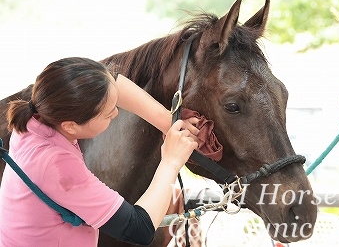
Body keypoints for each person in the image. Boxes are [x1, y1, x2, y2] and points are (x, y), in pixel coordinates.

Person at [0, 57, 199, 247]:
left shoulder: (35, 116)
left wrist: (165, 120)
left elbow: (109, 84)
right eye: (108, 114)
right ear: (70, 126)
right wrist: (171, 162)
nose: (116, 112)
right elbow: (139, 229)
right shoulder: (55, 164)